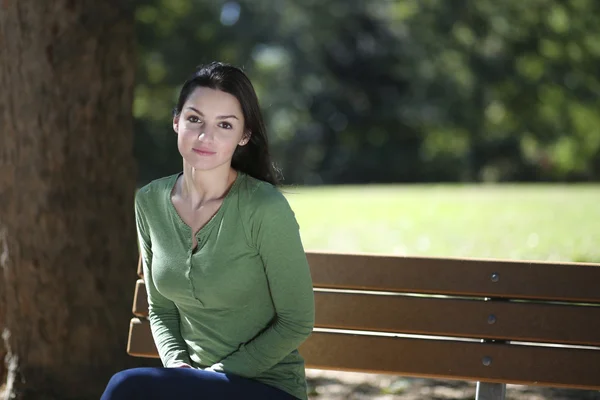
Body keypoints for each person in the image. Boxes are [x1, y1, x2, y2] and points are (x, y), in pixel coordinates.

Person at [101, 62, 315, 400]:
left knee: (126, 388)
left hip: (265, 387)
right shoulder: (150, 202)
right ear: (176, 121)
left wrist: (211, 378)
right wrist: (179, 370)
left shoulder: (264, 208)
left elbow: (296, 322)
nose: (205, 136)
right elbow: (161, 308)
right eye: (194, 119)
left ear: (244, 136)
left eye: (225, 125)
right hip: (191, 385)